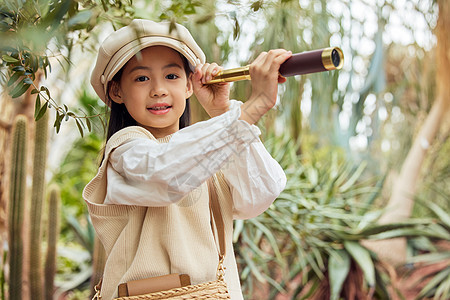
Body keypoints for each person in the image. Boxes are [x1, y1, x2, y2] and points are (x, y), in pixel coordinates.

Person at [83, 19, 290, 300]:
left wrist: (222, 111)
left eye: (172, 76)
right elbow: (164, 172)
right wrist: (252, 108)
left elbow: (261, 194)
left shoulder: (207, 150)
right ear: (117, 91)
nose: (159, 89)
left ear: (189, 86)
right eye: (142, 78)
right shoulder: (125, 150)